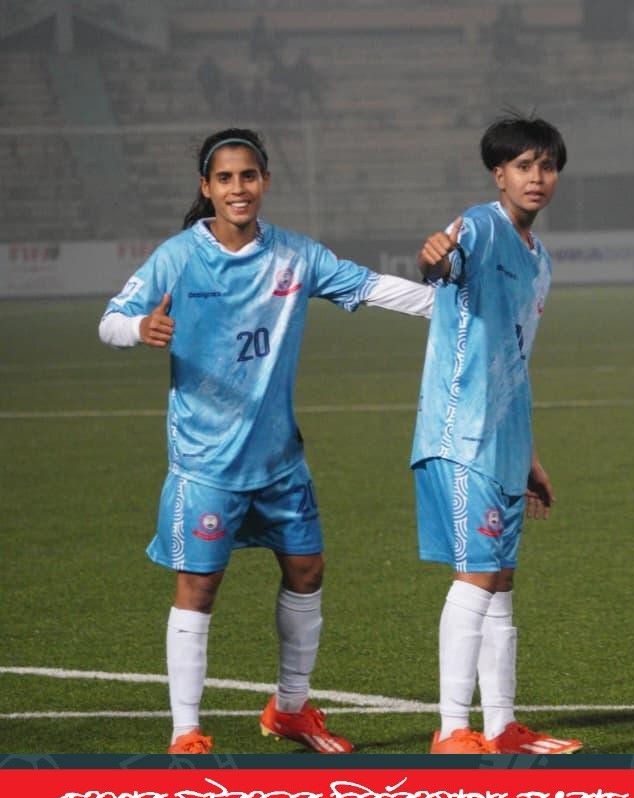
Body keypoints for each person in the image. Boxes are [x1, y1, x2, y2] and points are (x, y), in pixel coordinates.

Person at [98, 128, 437, 754]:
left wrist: (452, 306)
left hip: (280, 460)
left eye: (248, 176)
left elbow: (369, 286)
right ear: (206, 188)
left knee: (307, 571)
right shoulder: (178, 257)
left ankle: (291, 709)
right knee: (199, 587)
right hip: (206, 462)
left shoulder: (294, 254)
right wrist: (139, 327)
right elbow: (109, 321)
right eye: (225, 178)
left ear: (265, 182)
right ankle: (185, 731)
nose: (239, 188)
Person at [412, 114, 582, 756]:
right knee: (477, 577)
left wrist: (528, 453)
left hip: (504, 441)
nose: (537, 177)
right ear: (499, 175)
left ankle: (501, 726)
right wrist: (435, 258)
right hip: (462, 434)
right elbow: (442, 264)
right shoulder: (479, 227)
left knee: (501, 579)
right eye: (523, 166)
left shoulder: (541, 261)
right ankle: (452, 730)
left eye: (547, 166)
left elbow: (517, 359)